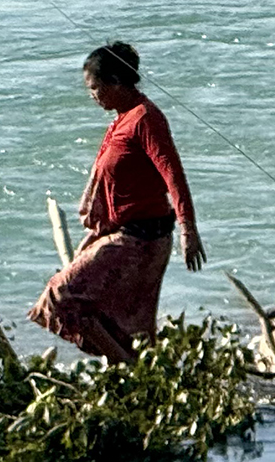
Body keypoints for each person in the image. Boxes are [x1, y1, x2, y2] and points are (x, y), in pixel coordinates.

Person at [28, 43, 205, 364]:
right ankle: (132, 372)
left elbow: (173, 175)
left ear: (117, 81)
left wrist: (188, 230)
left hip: (142, 240)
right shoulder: (122, 118)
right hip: (125, 232)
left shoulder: (146, 119)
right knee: (115, 321)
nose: (92, 95)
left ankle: (129, 370)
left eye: (95, 87)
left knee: (63, 295)